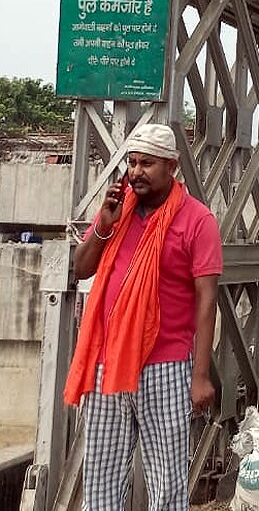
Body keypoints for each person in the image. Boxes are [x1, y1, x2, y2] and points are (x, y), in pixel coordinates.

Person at [63, 124, 222, 511]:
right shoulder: (120, 212)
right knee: (100, 477)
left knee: (166, 482)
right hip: (110, 364)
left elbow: (207, 300)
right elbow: (82, 269)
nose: (136, 172)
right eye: (132, 163)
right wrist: (103, 221)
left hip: (165, 365)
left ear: (172, 167)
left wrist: (200, 376)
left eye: (147, 164)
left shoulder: (197, 221)